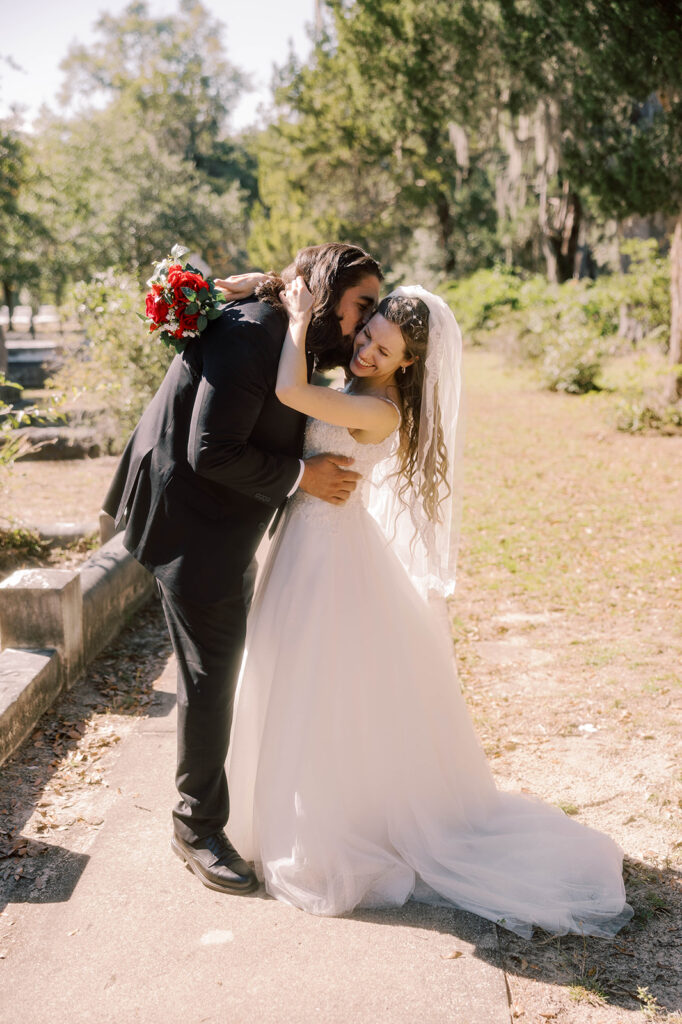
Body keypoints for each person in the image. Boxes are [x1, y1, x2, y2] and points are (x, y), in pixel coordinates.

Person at [223, 275, 633, 938]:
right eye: (367, 336)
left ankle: (322, 827)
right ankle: (272, 809)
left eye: (382, 351)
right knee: (290, 675)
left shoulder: (381, 410)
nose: (365, 353)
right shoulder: (356, 384)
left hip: (328, 555)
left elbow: (294, 393)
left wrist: (298, 321)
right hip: (307, 541)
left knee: (313, 683)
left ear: (409, 364)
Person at [102, 243, 382, 895]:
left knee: (219, 658)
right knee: (212, 667)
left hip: (218, 517)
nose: (364, 323)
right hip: (190, 519)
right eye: (361, 306)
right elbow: (210, 449)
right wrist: (301, 475)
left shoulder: (287, 329)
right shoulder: (259, 333)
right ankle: (195, 826)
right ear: (323, 291)